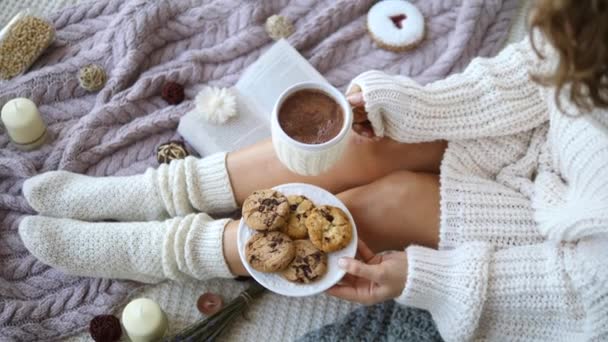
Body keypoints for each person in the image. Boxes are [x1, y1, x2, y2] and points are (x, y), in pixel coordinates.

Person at [18, 0, 607, 340]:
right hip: (522, 140)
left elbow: (584, 288)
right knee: (351, 144)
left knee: (380, 204)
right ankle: (153, 192)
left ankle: (173, 250)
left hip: (547, 234)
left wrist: (427, 280)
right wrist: (404, 108)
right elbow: (533, 72)